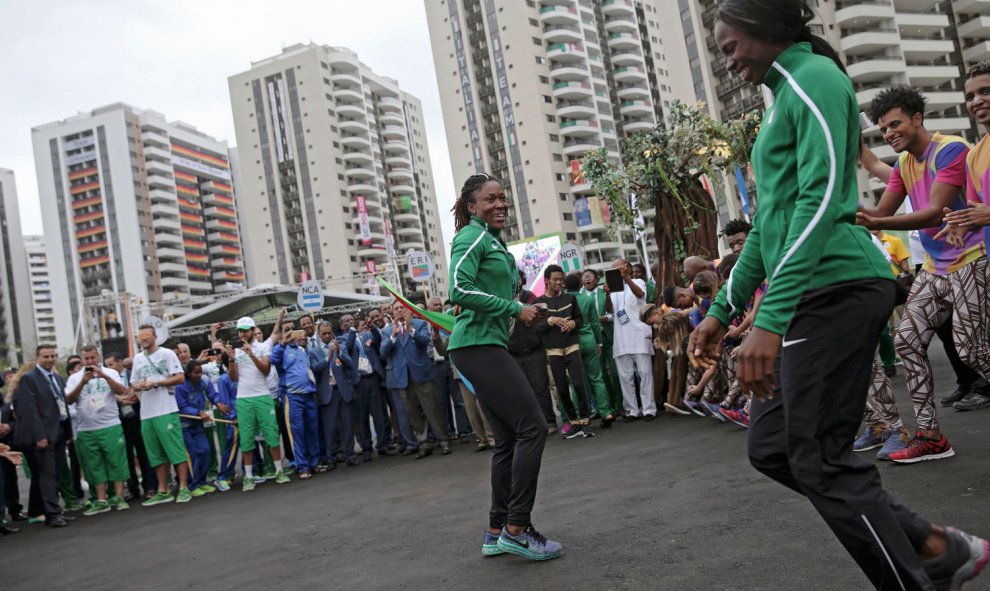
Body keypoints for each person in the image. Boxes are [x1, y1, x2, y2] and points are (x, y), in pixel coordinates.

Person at [694, 3, 988, 588]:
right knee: (774, 448)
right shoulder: (782, 97)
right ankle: (936, 545)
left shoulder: (815, 81)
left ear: (767, 29)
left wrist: (768, 323)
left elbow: (823, 202)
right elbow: (770, 226)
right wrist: (723, 309)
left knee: (819, 460)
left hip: (840, 288)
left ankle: (923, 569)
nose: (729, 64)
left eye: (732, 49)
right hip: (812, 291)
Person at [858, 84, 990, 462]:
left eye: (895, 124)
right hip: (935, 267)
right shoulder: (903, 164)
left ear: (917, 119)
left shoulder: (950, 149)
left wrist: (874, 220)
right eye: (883, 129)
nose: (889, 133)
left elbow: (933, 212)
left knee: (971, 349)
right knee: (906, 339)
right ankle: (930, 435)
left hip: (971, 258)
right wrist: (854, 217)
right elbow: (881, 213)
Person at [447, 172, 561, 561]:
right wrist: (515, 308)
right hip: (476, 347)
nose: (500, 205)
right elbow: (457, 290)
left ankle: (496, 530)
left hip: (487, 344)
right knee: (533, 426)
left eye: (503, 198)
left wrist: (526, 309)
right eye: (490, 199)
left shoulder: (492, 241)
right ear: (471, 207)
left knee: (510, 439)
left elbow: (483, 293)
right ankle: (517, 527)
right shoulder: (471, 237)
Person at [938, 60, 990, 412]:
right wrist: (960, 222)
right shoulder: (976, 154)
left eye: (985, 91)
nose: (976, 101)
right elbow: (976, 206)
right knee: (971, 345)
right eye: (970, 95)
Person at [64, 345, 134, 515]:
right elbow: (69, 400)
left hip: (110, 425)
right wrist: (82, 382)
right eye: (86, 359)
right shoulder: (75, 378)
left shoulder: (110, 373)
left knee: (116, 461)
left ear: (98, 357)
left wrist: (103, 376)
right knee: (94, 465)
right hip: (86, 429)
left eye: (92, 358)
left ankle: (119, 497)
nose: (89, 361)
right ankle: (101, 500)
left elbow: (121, 390)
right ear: (82, 359)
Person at [130, 325, 193, 505]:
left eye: (147, 336)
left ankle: (183, 487)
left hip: (166, 409)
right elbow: (133, 382)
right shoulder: (138, 358)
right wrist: (139, 385)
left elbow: (180, 377)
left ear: (155, 337)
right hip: (146, 413)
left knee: (175, 450)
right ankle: (163, 490)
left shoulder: (167, 354)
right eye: (140, 336)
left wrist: (157, 383)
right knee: (155, 454)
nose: (143, 339)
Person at [12, 345, 72, 527]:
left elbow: (62, 403)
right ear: (37, 358)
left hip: (60, 430)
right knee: (47, 474)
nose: (50, 359)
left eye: (53, 356)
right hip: (44, 434)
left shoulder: (57, 378)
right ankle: (52, 514)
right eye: (46, 356)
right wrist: (40, 435)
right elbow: (29, 409)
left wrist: (68, 431)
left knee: (57, 474)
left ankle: (56, 510)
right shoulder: (29, 379)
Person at [381, 301, 451, 458]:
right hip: (403, 377)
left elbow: (426, 341)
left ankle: (443, 440)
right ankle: (423, 443)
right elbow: (383, 352)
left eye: (402, 308)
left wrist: (411, 329)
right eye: (396, 309)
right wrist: (393, 335)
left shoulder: (419, 324)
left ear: (408, 310)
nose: (400, 311)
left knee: (432, 409)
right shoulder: (387, 331)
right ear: (393, 312)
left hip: (421, 373)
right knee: (413, 412)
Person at [534, 265, 595, 438]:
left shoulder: (570, 298)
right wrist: (550, 320)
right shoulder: (538, 304)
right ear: (547, 280)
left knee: (578, 384)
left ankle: (586, 422)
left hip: (572, 346)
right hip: (553, 351)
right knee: (561, 389)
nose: (559, 283)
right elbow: (535, 327)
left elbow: (580, 319)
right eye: (556, 279)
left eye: (561, 279)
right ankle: (574, 423)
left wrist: (573, 324)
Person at [230, 317, 290, 490]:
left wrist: (250, 354)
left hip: (263, 396)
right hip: (243, 398)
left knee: (271, 434)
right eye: (240, 331)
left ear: (253, 330)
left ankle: (279, 470)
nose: (242, 334)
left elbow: (265, 370)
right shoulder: (236, 350)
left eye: (246, 330)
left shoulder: (263, 347)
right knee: (247, 438)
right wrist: (232, 358)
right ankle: (248, 476)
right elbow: (233, 378)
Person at [605, 258, 656, 421]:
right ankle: (632, 410)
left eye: (618, 268)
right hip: (621, 339)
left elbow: (640, 295)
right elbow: (609, 309)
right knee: (625, 377)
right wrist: (607, 293)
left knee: (645, 374)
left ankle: (649, 409)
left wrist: (626, 278)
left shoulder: (638, 282)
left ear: (626, 267)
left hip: (638, 335)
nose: (616, 271)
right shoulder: (613, 289)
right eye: (613, 270)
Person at [565, 271, 616, 428]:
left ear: (565, 286)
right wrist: (599, 343)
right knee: (597, 378)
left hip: (572, 344)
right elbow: (595, 324)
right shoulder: (587, 299)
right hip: (589, 341)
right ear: (580, 284)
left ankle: (582, 416)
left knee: (576, 382)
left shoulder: (564, 301)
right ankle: (606, 412)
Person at [508, 270, 556, 430]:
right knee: (521, 392)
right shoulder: (503, 301)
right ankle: (531, 425)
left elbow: (539, 314)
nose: (515, 281)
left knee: (540, 388)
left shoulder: (529, 297)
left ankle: (549, 421)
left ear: (522, 280)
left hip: (534, 350)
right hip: (513, 353)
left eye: (517, 278)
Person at [271, 328, 320, 478]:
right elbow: (273, 361)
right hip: (292, 396)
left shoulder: (302, 350)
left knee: (312, 429)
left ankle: (314, 463)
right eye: (287, 331)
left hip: (308, 394)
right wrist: (283, 344)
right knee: (296, 432)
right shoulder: (280, 350)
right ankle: (302, 466)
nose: (291, 334)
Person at [311, 320, 359, 468]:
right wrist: (327, 358)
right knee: (330, 428)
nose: (326, 336)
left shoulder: (341, 346)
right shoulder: (314, 352)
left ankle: (350, 454)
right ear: (318, 335)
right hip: (326, 394)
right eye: (323, 334)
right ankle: (331, 457)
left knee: (347, 425)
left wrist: (339, 353)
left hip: (342, 391)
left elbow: (350, 364)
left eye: (328, 333)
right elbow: (314, 370)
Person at [173, 360, 218, 496]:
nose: (198, 375)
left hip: (197, 425)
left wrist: (218, 402)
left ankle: (202, 481)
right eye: (195, 373)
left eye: (200, 372)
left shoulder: (202, 382)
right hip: (184, 426)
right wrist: (197, 412)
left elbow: (211, 393)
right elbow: (182, 406)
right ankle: (191, 485)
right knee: (192, 455)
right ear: (188, 373)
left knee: (205, 450)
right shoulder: (181, 386)